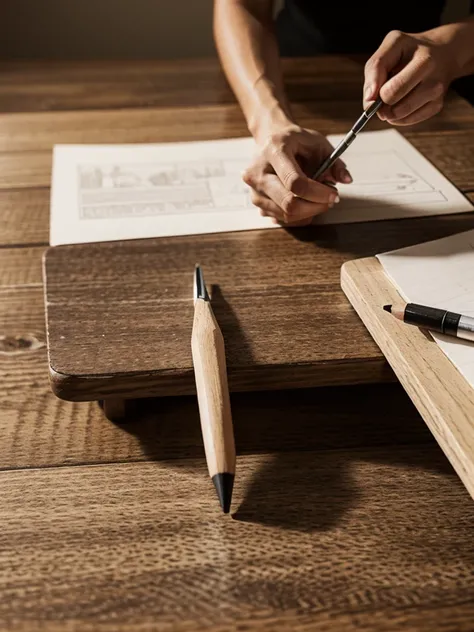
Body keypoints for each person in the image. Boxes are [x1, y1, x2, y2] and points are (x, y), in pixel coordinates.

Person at [213, 1, 474, 226]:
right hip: (284, 71)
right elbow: (242, 5)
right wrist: (270, 122)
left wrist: (452, 49)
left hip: (430, 82)